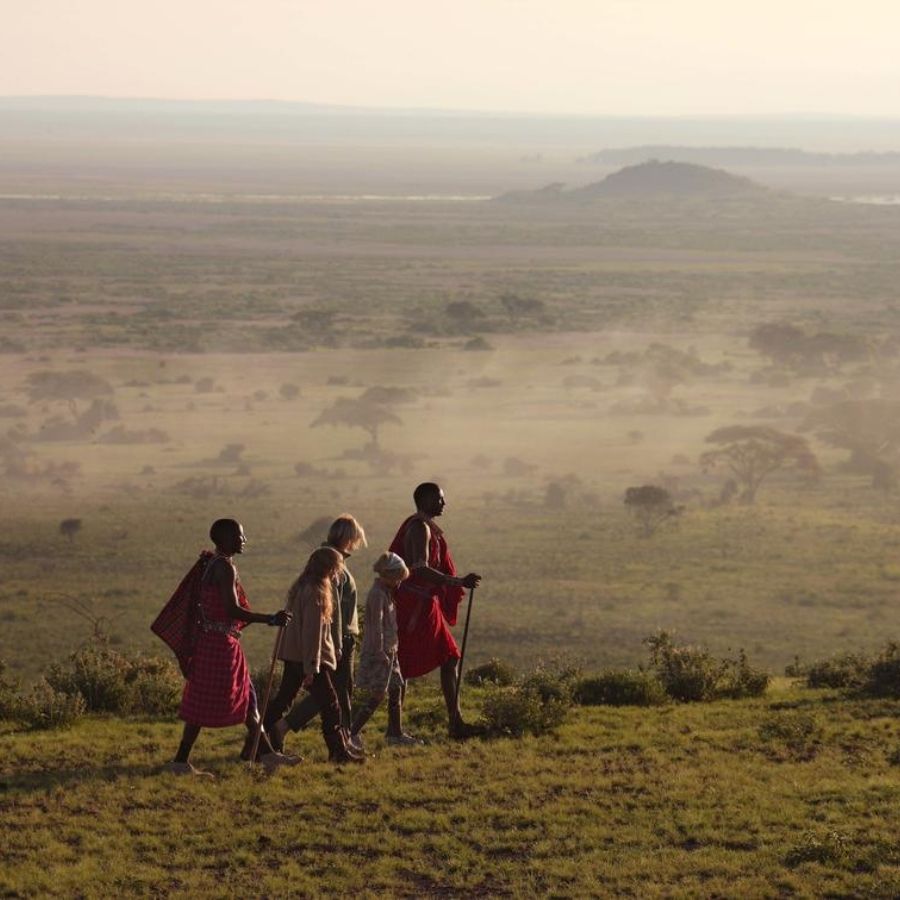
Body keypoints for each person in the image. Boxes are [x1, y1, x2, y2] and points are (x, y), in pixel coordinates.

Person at [168, 518, 297, 776]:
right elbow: (231, 609)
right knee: (206, 703)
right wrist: (270, 619)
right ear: (225, 539)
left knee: (247, 699)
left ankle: (267, 754)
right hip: (220, 646)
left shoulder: (212, 563)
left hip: (214, 643)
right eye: (239, 536)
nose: (244, 540)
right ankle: (181, 761)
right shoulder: (224, 568)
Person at [389, 483, 482, 738]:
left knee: (449, 657)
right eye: (440, 499)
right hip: (413, 606)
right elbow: (418, 568)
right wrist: (457, 582)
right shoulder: (419, 528)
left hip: (426, 604)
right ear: (427, 499)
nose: (444, 503)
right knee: (402, 666)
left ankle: (456, 722)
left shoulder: (426, 527)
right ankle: (394, 730)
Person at [267, 516, 365, 747]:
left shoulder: (323, 560)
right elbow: (333, 611)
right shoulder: (330, 563)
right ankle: (339, 742)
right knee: (333, 695)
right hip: (329, 642)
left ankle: (265, 734)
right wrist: (337, 644)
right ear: (348, 538)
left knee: (328, 694)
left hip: (323, 643)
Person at [348, 551, 418, 751]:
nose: (399, 583)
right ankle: (352, 732)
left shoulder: (386, 593)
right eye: (397, 579)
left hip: (390, 649)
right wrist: (379, 652)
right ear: (389, 576)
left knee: (396, 688)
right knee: (379, 694)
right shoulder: (377, 595)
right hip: (381, 652)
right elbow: (375, 625)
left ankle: (395, 732)